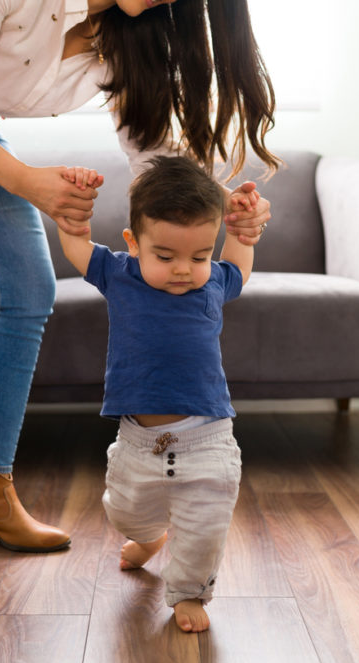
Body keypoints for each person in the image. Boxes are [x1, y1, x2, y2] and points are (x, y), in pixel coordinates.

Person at [0, 0, 278, 601]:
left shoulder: (132, 34)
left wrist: (225, 210)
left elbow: (154, 159)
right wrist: (28, 180)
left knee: (30, 290)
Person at [56, 155, 256, 633]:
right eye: (165, 257)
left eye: (199, 256)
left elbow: (240, 262)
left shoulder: (215, 283)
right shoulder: (119, 274)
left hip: (207, 438)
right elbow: (76, 246)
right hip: (138, 443)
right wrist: (75, 211)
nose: (184, 270)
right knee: (124, 510)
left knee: (204, 526)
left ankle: (189, 593)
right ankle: (149, 538)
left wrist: (244, 231)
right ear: (134, 243)